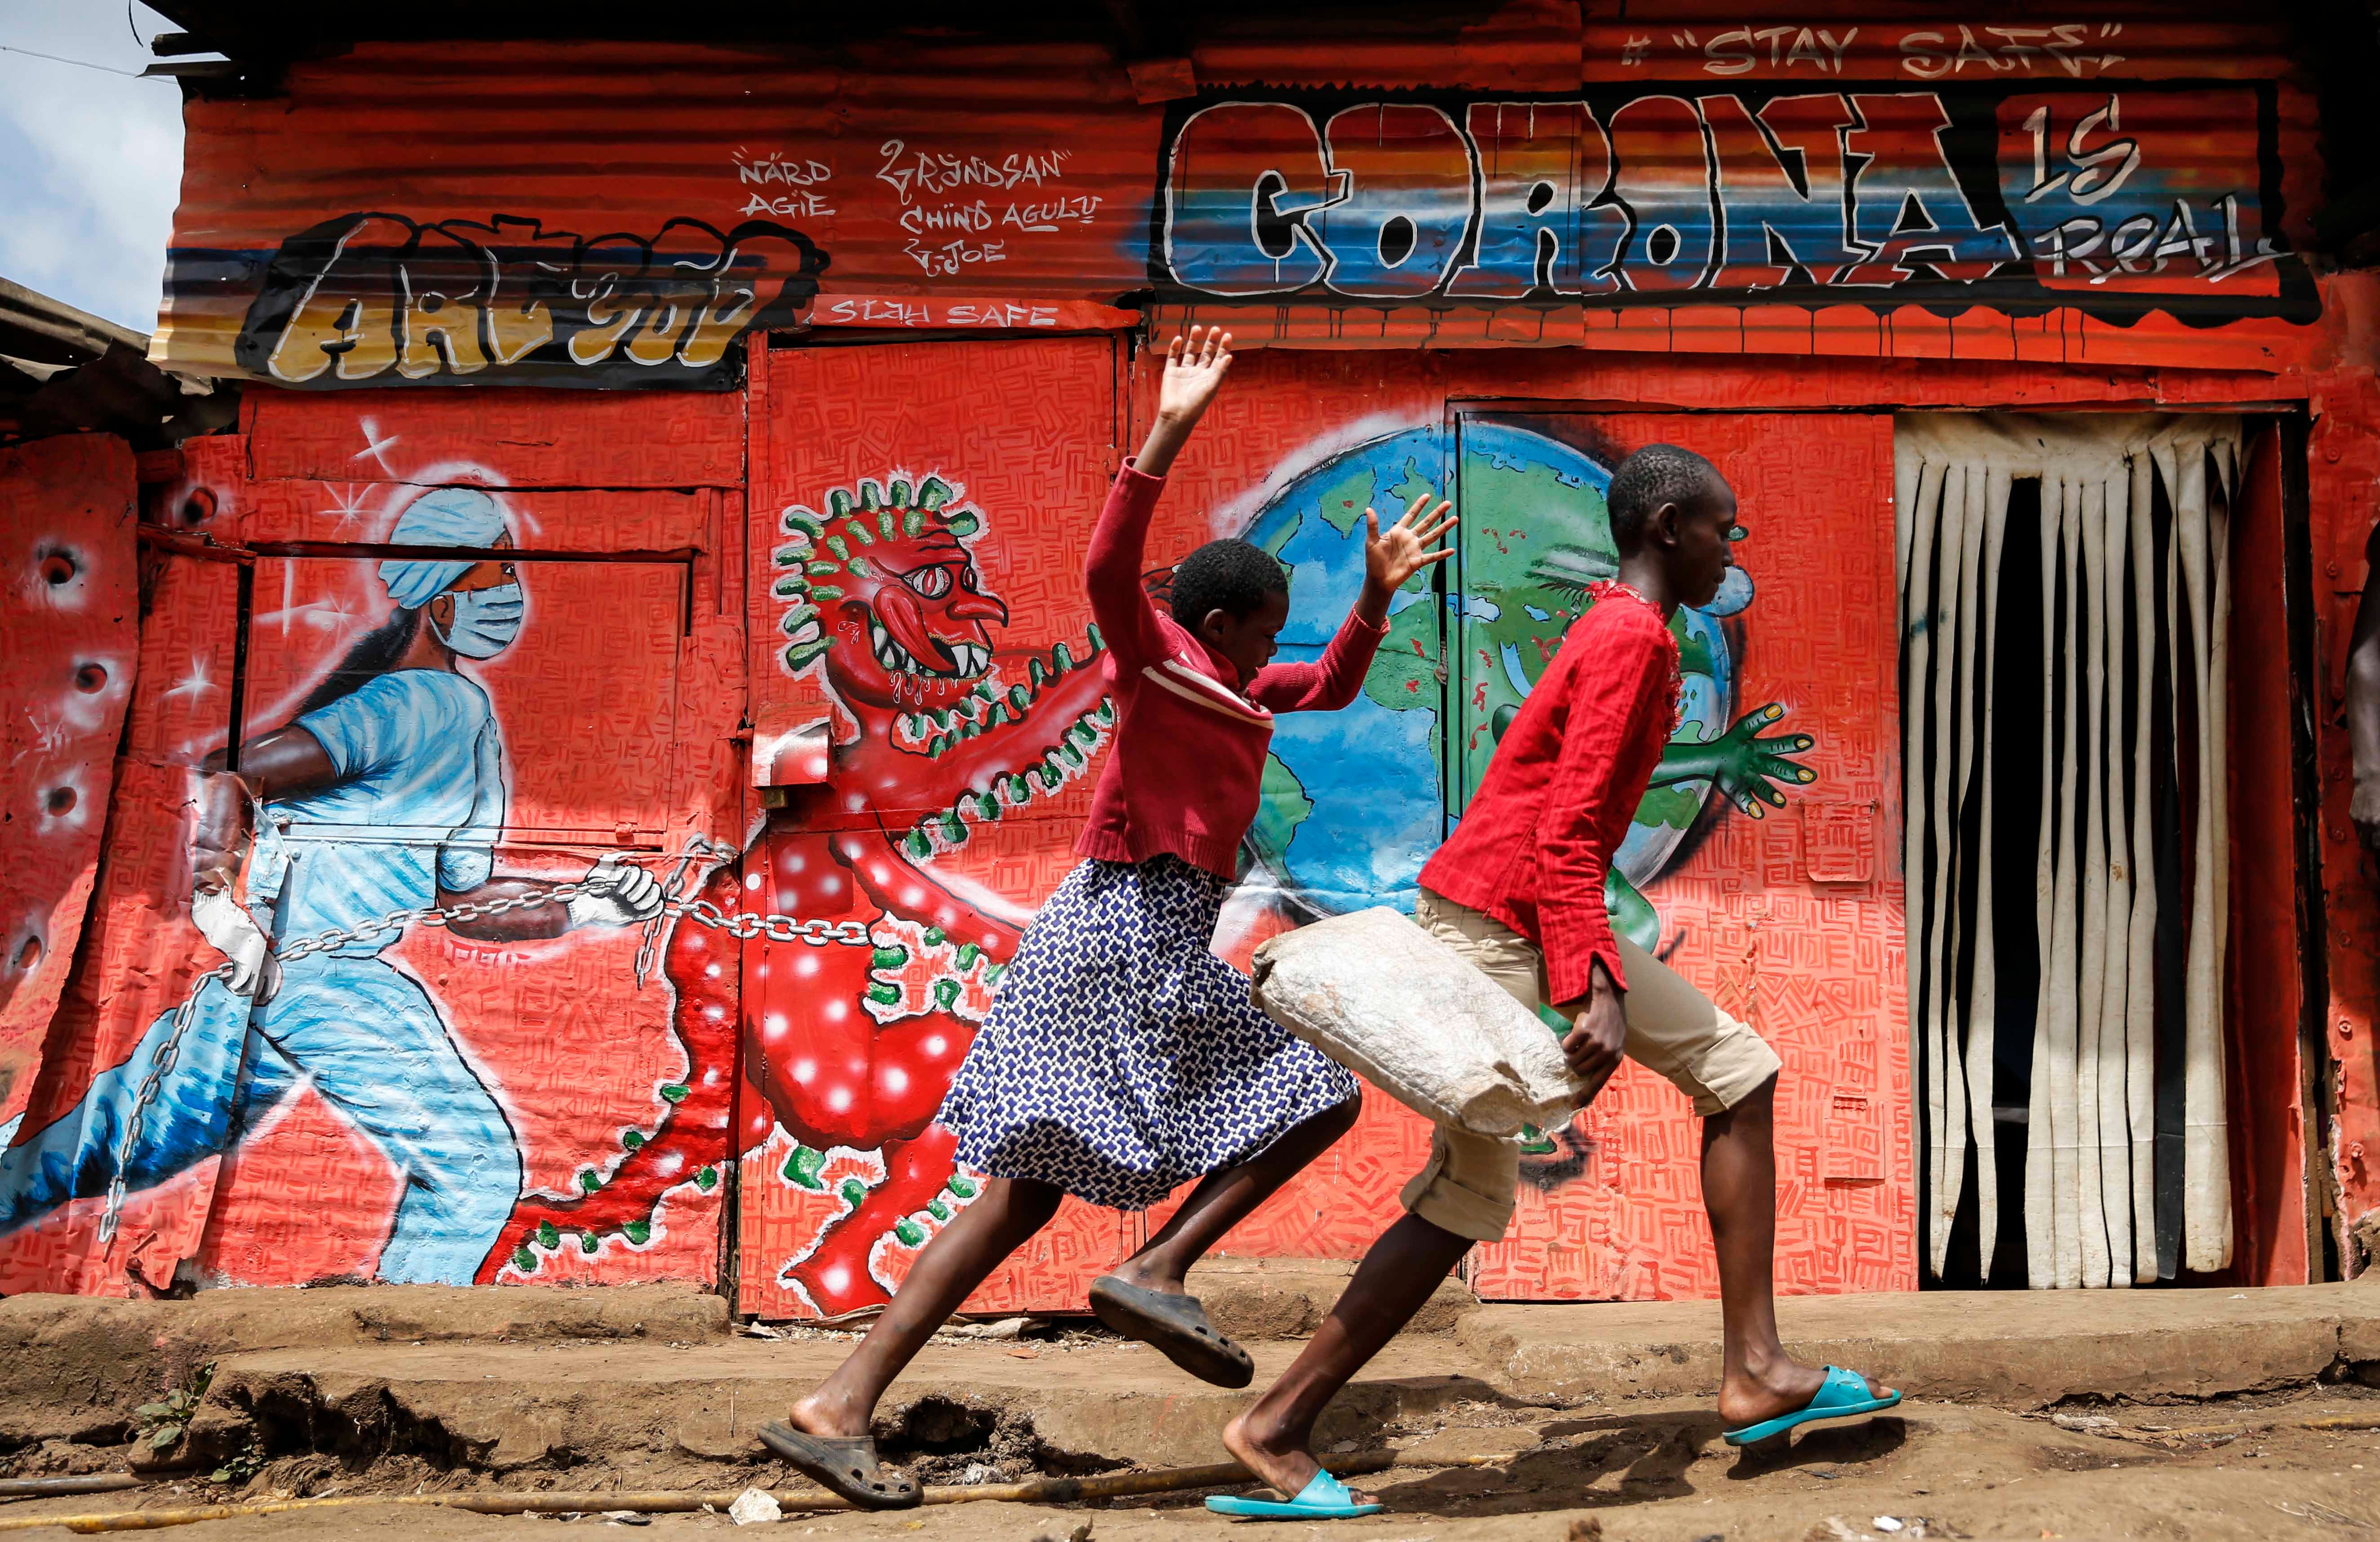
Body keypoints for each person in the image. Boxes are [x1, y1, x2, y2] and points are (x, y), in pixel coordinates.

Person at [758, 327, 1456, 1510]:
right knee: (1321, 1094)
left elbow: (1328, 684)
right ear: (1227, 621)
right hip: (1128, 928)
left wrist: (1379, 595)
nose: (1276, 649)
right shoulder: (1163, 658)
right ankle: (1160, 1264)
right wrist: (1167, 435)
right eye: (1271, 625)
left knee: (1019, 1194)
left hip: (1101, 937)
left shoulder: (1235, 689)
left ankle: (836, 1405)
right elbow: (1104, 570)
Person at [1210, 445, 1899, 1522]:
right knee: (1484, 1183)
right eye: (1724, 528)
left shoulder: (1627, 628)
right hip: (1507, 927)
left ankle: (1756, 1369)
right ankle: (1276, 1424)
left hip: (1517, 915)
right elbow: (1570, 829)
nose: (1734, 550)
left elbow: (1562, 818)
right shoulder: (1628, 636)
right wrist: (1596, 987)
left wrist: (1585, 965)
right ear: (1669, 526)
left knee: (1725, 1073)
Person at [0, 486, 663, 1285]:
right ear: (440, 600)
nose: (507, 594)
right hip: (323, 980)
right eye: (493, 574)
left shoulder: (464, 719)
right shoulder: (411, 705)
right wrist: (221, 909)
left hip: (275, 983)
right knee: (474, 1170)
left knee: (83, 1154)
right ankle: (397, 1339)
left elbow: (460, 905)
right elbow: (230, 780)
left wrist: (585, 903)